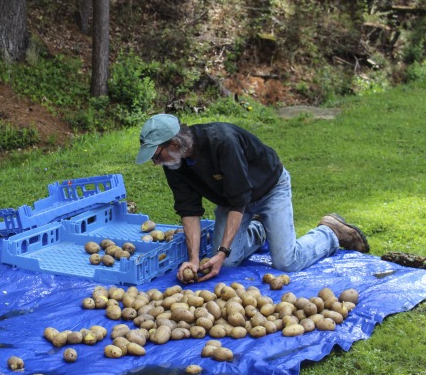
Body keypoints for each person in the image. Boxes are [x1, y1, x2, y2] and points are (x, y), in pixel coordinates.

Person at [135, 113, 369, 283]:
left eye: (156, 155)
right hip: (231, 199)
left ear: (174, 143)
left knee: (287, 262)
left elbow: (240, 201)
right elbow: (189, 210)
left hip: (270, 189)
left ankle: (330, 233)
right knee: (225, 263)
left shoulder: (222, 141)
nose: (156, 163)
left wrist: (221, 250)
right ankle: (259, 229)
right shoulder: (173, 162)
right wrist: (194, 259)